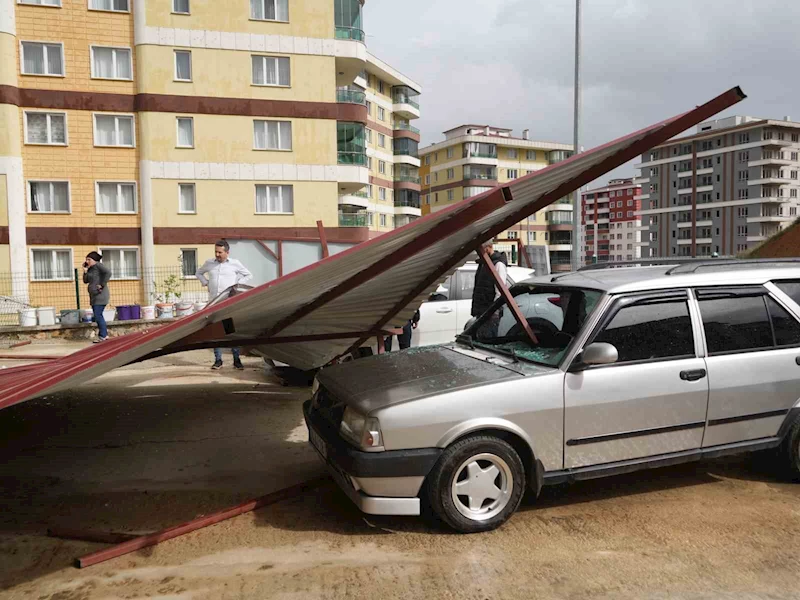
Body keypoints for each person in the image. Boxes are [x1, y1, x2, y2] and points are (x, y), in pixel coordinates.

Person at [195, 240, 253, 370]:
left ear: (227, 252)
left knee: (231, 330)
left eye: (220, 252)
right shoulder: (209, 263)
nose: (217, 254)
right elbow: (198, 272)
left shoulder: (234, 264)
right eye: (215, 252)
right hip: (213, 302)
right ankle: (218, 360)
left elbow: (248, 274)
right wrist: (206, 282)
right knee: (215, 332)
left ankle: (237, 360)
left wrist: (236, 286)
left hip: (228, 302)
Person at [471, 240, 508, 317]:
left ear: (488, 248)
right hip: (481, 310)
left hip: (491, 312)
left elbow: (500, 291)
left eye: (483, 249)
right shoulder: (483, 264)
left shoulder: (498, 265)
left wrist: (495, 310)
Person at [83, 252, 111, 343]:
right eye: (86, 259)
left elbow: (108, 273)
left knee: (98, 315)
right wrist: (85, 271)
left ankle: (103, 335)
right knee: (98, 315)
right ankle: (104, 335)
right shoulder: (90, 269)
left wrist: (102, 284)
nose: (87, 261)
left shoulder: (99, 266)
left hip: (100, 295)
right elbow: (85, 281)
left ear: (94, 260)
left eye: (89, 260)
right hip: (94, 296)